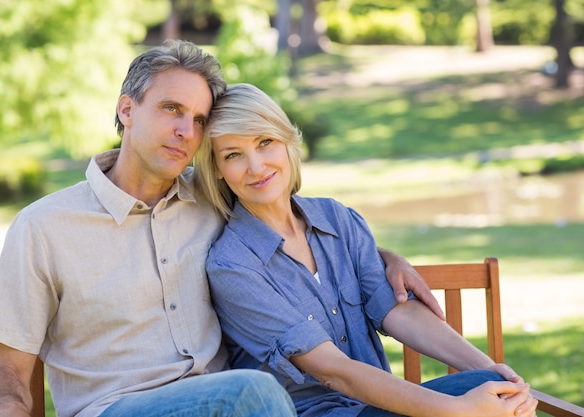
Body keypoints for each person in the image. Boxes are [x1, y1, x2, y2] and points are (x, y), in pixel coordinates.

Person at [0, 40, 435, 417]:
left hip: (228, 406)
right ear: (127, 109)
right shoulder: (44, 227)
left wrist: (383, 258)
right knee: (251, 393)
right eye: (171, 109)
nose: (185, 130)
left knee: (485, 390)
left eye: (198, 120)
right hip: (121, 408)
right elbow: (7, 373)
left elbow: (300, 226)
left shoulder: (214, 199)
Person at [194, 83, 539, 417]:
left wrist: (498, 373)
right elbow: (333, 371)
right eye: (233, 155)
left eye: (264, 142)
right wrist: (456, 409)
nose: (256, 167)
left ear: (287, 142)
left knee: (494, 387)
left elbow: (398, 312)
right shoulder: (232, 266)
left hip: (378, 408)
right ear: (219, 171)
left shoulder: (337, 220)